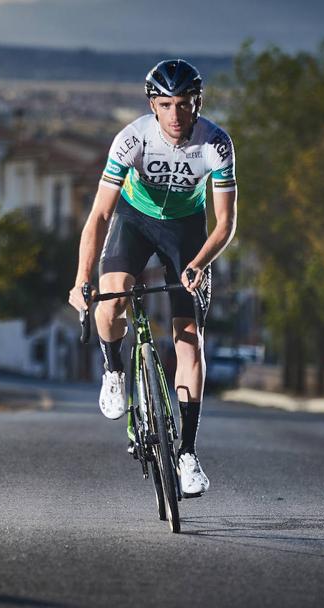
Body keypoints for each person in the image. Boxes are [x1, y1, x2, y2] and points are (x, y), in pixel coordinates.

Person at [68, 59, 237, 497]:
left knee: (188, 339)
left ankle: (187, 455)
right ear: (152, 105)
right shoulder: (131, 139)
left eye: (184, 104)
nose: (176, 115)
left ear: (197, 103)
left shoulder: (216, 144)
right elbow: (100, 215)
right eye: (165, 105)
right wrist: (81, 280)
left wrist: (199, 263)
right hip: (135, 221)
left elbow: (224, 225)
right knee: (112, 300)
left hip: (187, 233)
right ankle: (113, 370)